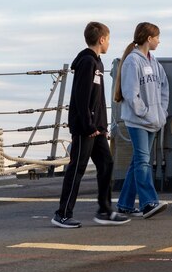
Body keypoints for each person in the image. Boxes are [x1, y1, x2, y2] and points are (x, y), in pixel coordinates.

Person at [53, 22, 130, 228]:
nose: (109, 43)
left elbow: (98, 100)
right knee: (76, 169)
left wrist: (101, 126)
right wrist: (88, 125)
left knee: (106, 164)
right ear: (102, 39)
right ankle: (62, 213)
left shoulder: (98, 63)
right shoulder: (87, 62)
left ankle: (105, 210)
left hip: (96, 128)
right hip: (85, 128)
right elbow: (81, 96)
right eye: (109, 39)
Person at [114, 22, 169, 219]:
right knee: (143, 161)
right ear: (149, 38)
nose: (159, 41)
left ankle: (125, 204)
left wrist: (161, 112)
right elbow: (130, 93)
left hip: (153, 121)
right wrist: (144, 112)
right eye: (157, 37)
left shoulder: (154, 62)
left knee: (138, 161)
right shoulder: (132, 61)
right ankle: (148, 202)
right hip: (137, 122)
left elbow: (164, 87)